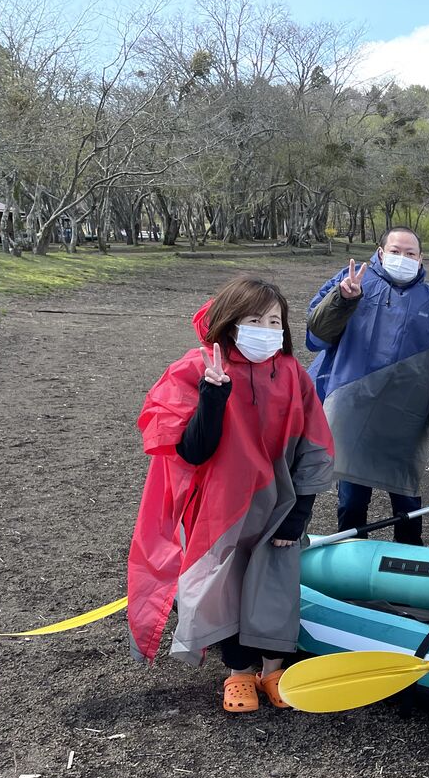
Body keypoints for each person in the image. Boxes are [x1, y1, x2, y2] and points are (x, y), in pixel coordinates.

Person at [127, 277, 335, 713]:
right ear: (231, 322)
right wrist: (213, 395)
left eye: (274, 321)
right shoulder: (194, 369)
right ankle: (239, 671)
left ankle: (273, 668)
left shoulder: (292, 375)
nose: (266, 329)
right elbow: (191, 450)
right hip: (219, 509)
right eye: (254, 320)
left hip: (279, 503)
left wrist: (298, 513)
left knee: (275, 585)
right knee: (223, 588)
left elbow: (314, 447)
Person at [306, 227, 429, 545]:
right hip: (354, 414)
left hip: (405, 421)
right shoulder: (351, 283)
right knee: (352, 500)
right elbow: (317, 334)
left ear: (420, 258)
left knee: (407, 502)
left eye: (410, 253)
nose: (402, 257)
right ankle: (351, 551)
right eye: (395, 251)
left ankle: (409, 554)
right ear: (381, 252)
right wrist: (342, 299)